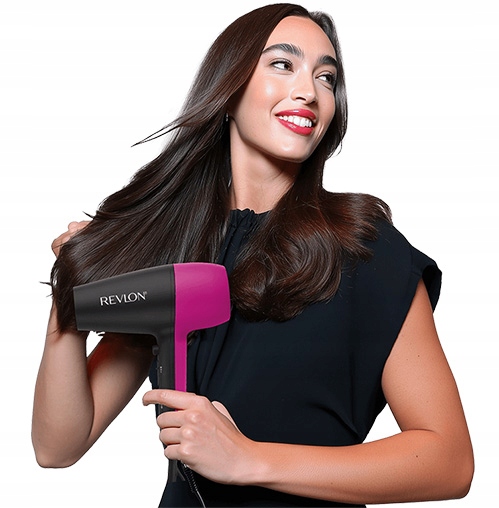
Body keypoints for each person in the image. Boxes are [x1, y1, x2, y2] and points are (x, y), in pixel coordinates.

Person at [32, 4, 474, 507]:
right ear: (228, 86)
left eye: (326, 77)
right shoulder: (174, 256)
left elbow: (449, 462)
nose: (309, 91)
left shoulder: (363, 248)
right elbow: (57, 447)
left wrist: (248, 459)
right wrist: (69, 293)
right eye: (283, 64)